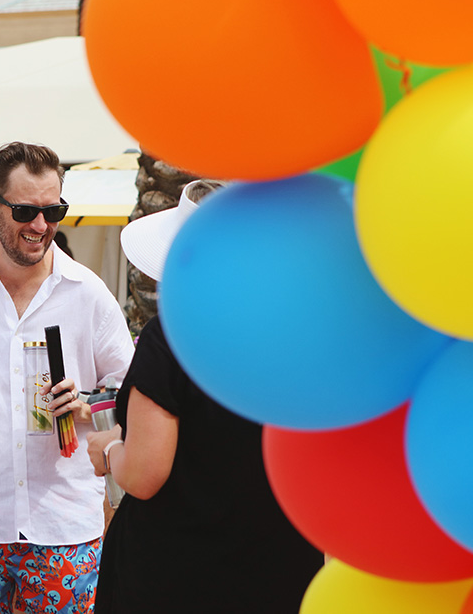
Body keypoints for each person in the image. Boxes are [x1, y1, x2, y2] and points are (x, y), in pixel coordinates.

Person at [86, 180, 323, 613]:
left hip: (181, 573)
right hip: (281, 566)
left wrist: (111, 448)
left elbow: (144, 473)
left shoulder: (173, 337)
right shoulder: (298, 337)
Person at [0, 141, 134, 614]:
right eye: (25, 211)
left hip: (63, 528)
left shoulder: (88, 295)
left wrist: (88, 408)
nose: (41, 226)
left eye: (53, 210)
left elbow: (134, 399)